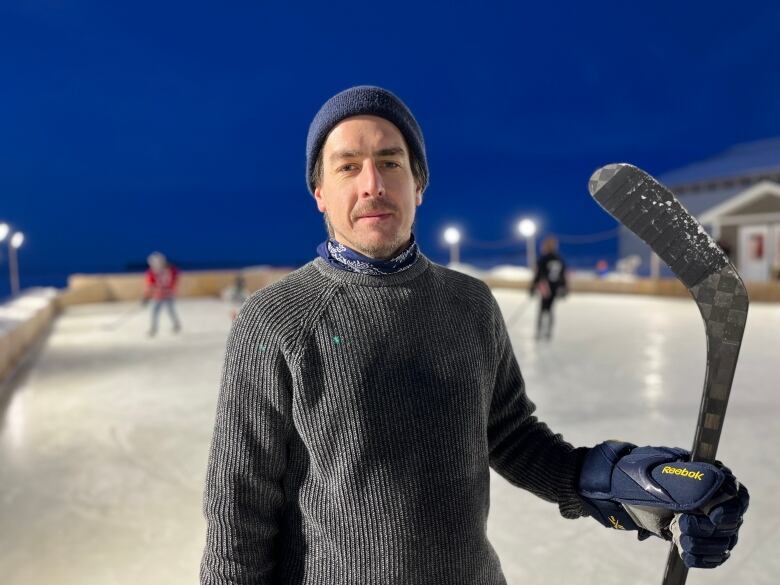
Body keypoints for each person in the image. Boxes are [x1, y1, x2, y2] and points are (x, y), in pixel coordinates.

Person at [201, 86, 748, 584]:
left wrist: (619, 482)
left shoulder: (468, 304)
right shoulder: (275, 319)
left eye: (389, 162)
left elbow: (509, 435)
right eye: (347, 167)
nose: (372, 184)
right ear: (319, 191)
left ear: (419, 182)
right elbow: (237, 512)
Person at [530, 236, 567, 340]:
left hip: (545, 287)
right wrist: (563, 288)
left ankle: (539, 332)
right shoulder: (559, 259)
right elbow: (563, 275)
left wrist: (532, 287)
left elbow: (538, 275)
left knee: (542, 310)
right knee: (550, 310)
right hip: (554, 288)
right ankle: (548, 333)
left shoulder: (543, 258)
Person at [141, 251, 181, 337]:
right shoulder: (153, 272)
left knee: (169, 311)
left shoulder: (170, 270)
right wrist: (146, 297)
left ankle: (175, 325)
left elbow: (173, 279)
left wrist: (146, 297)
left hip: (167, 295)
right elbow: (151, 285)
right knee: (156, 312)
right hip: (160, 295)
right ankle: (154, 329)